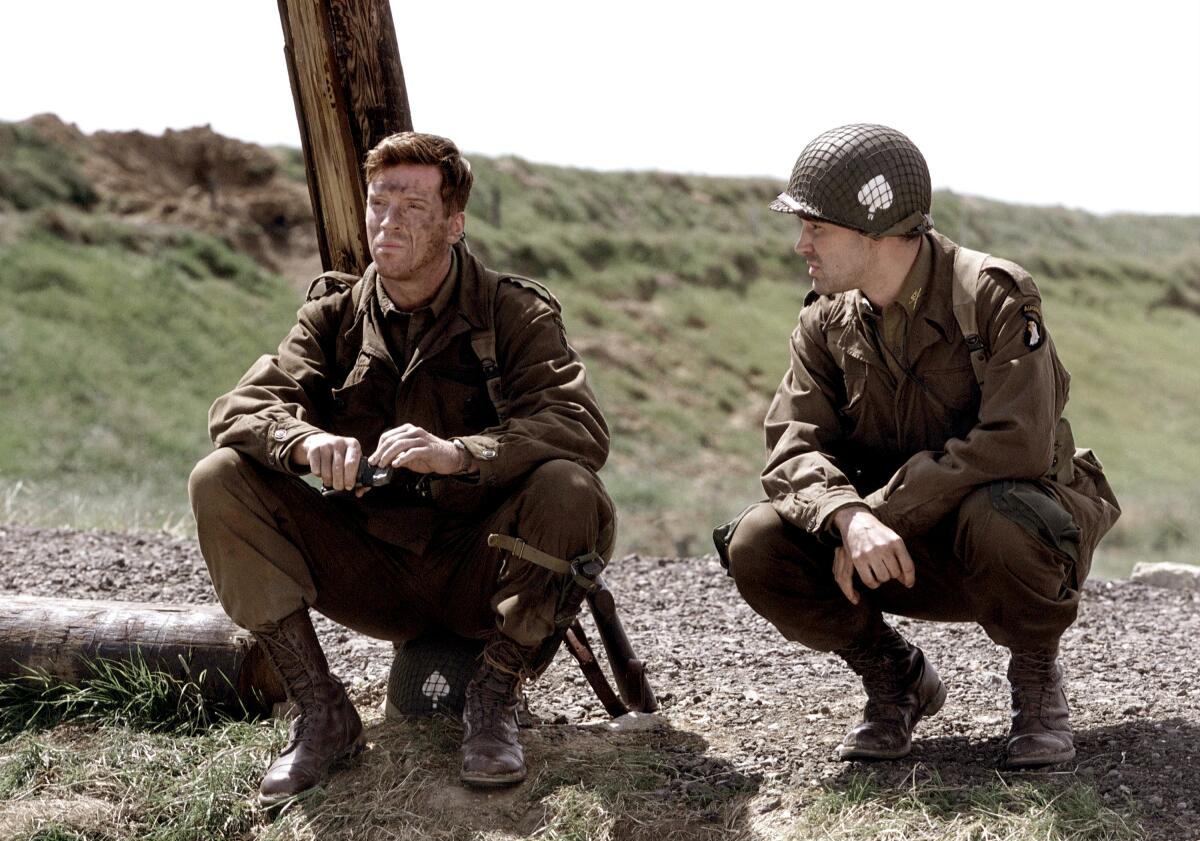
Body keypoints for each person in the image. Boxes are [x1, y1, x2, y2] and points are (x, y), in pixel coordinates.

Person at [189, 131, 614, 806]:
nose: (388, 219)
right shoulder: (333, 316)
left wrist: (461, 454)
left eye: (413, 205)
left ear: (454, 223)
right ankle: (322, 712)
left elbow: (578, 425)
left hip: (481, 566)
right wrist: (305, 443)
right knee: (219, 477)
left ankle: (494, 699)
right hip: (371, 568)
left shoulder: (511, 313)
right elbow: (242, 409)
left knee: (570, 487)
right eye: (378, 200)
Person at [720, 123, 1119, 768]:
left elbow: (1017, 442)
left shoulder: (989, 295)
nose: (801, 245)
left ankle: (1037, 682)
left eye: (817, 227)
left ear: (873, 227)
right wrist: (848, 517)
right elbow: (792, 447)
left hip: (993, 543)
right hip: (887, 549)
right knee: (757, 542)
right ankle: (894, 678)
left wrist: (883, 511)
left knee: (1006, 512)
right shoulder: (825, 318)